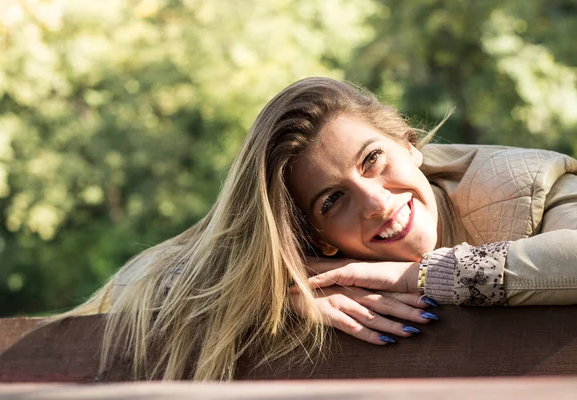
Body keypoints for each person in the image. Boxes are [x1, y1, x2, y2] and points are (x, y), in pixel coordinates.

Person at [75, 77, 577, 381]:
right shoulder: (318, 274)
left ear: (408, 142)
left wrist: (423, 276)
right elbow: (135, 284)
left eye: (373, 159)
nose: (376, 203)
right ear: (316, 236)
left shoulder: (529, 181)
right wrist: (279, 288)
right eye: (333, 199)